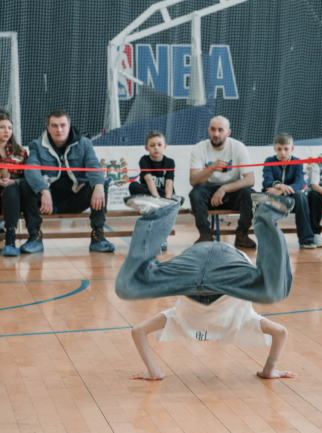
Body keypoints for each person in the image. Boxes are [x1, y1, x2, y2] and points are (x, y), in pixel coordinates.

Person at [118, 193, 296, 380]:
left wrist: (153, 371)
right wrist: (268, 370)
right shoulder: (242, 321)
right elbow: (280, 333)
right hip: (222, 267)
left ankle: (162, 213)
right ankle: (266, 214)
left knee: (127, 288)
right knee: (128, 287)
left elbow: (138, 331)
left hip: (192, 267)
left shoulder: (181, 319)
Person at [20, 110, 114, 253]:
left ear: (69, 127)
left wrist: (99, 187)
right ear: (48, 128)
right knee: (27, 184)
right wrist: (44, 190)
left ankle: (98, 235)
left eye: (63, 125)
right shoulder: (37, 145)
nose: (59, 129)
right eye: (54, 126)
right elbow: (31, 169)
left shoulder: (84, 143)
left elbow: (94, 165)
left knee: (101, 184)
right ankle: (35, 236)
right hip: (49, 202)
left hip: (76, 199)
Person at [189, 116, 256, 247]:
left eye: (221, 130)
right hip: (208, 192)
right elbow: (193, 180)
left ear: (228, 132)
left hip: (232, 192)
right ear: (208, 130)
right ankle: (205, 235)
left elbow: (250, 179)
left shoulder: (238, 147)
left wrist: (224, 188)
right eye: (213, 130)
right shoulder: (199, 148)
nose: (216, 134)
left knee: (249, 193)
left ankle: (242, 235)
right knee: (195, 194)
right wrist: (211, 169)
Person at [128, 131, 182, 251]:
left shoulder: (169, 162)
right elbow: (148, 179)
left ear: (165, 146)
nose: (156, 148)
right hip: (150, 193)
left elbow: (169, 182)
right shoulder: (144, 160)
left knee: (171, 195)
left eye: (159, 144)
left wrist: (166, 202)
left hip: (164, 193)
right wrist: (157, 199)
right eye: (152, 145)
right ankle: (159, 201)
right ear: (146, 148)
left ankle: (161, 238)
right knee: (133, 186)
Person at [262, 133, 315, 249]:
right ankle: (269, 240)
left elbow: (300, 183)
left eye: (286, 149)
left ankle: (306, 240)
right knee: (263, 197)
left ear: (292, 148)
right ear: (275, 148)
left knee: (301, 195)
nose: (283, 152)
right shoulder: (269, 161)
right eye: (279, 149)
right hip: (274, 198)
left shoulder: (297, 162)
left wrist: (282, 190)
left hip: (290, 199)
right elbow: (267, 182)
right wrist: (279, 185)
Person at [0, 110, 28, 256]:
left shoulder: (21, 152)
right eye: (2, 127)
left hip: (13, 199)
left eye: (9, 128)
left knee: (11, 189)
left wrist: (14, 181)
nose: (7, 131)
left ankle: (10, 237)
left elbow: (28, 178)